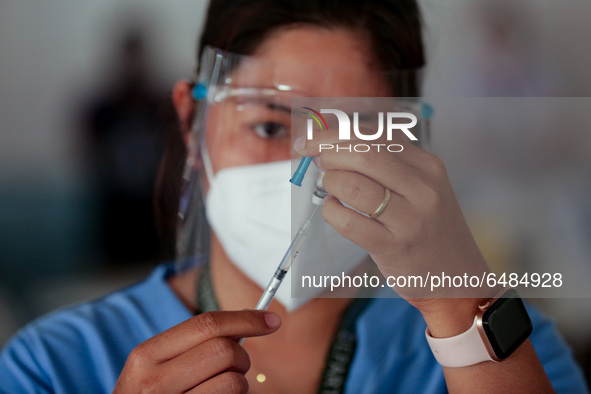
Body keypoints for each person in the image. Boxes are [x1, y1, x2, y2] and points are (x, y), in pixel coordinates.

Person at [0, 1, 588, 393]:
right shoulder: (52, 365)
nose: (306, 174)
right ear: (189, 119)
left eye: (354, 133)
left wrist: (462, 309)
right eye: (270, 127)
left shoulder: (506, 348)